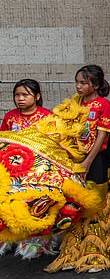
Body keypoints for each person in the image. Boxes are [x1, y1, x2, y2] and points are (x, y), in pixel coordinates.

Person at [45, 65, 110, 273]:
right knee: (73, 204)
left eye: (84, 82)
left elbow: (102, 136)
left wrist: (87, 162)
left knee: (95, 204)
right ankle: (72, 252)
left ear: (96, 84)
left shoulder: (104, 105)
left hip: (96, 160)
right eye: (77, 82)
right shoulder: (72, 104)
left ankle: (95, 253)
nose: (79, 86)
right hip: (73, 160)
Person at [0, 79, 55, 259]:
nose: (20, 99)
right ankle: (9, 238)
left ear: (37, 96)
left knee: (35, 203)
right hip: (13, 170)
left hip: (39, 170)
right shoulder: (10, 117)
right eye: (17, 95)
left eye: (25, 95)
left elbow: (55, 145)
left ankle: (37, 241)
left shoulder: (47, 117)